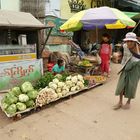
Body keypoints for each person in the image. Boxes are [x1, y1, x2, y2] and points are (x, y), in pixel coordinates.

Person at [114, 32, 140, 110]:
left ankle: (128, 102)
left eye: (131, 41)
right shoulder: (124, 46)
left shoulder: (139, 47)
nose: (129, 43)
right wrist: (119, 56)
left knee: (132, 86)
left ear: (135, 41)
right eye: (127, 41)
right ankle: (120, 102)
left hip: (136, 68)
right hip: (126, 67)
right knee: (121, 85)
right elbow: (123, 55)